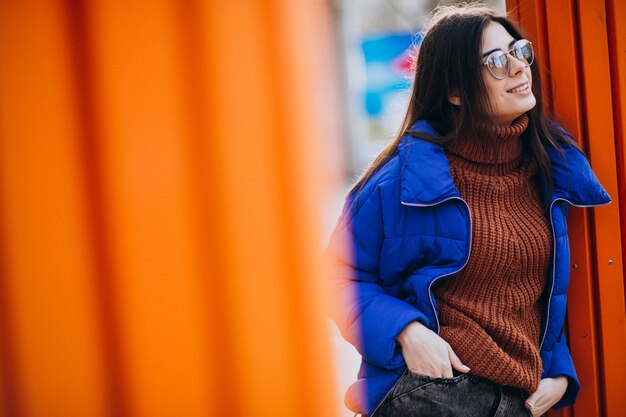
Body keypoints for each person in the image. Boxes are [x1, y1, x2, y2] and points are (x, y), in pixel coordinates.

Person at [326, 4, 611, 417]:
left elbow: (536, 299)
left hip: (519, 402)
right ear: (454, 91)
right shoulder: (399, 180)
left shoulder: (550, 171)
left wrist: (560, 374)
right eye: (496, 61)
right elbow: (336, 275)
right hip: (430, 395)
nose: (518, 67)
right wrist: (406, 332)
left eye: (519, 51)